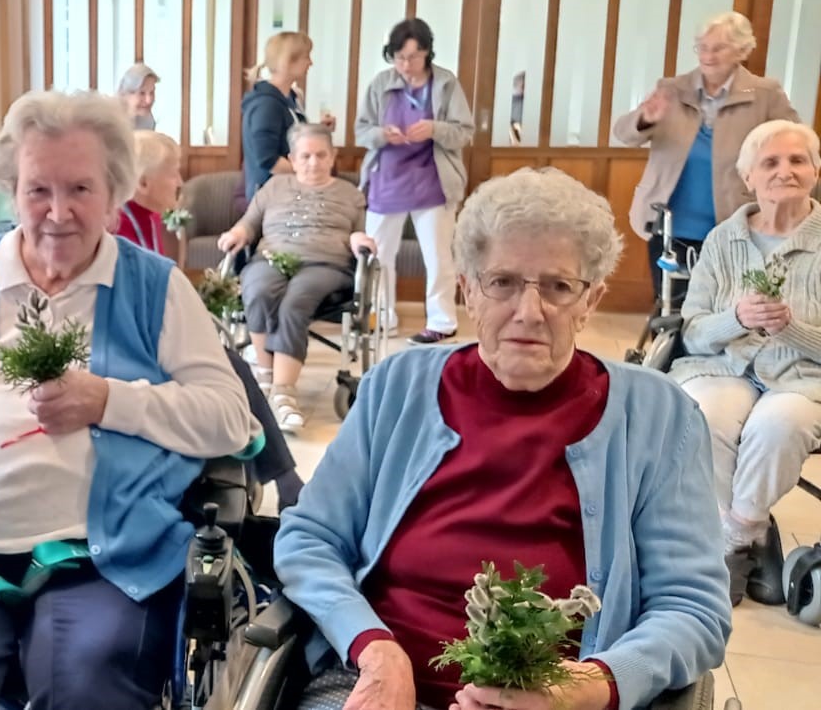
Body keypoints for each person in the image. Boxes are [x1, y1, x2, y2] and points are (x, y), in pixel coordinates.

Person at [275, 168, 730, 710]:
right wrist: (374, 649)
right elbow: (310, 538)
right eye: (503, 282)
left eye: (559, 286)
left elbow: (692, 608)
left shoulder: (659, 415)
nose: (529, 312)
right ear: (468, 290)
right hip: (373, 684)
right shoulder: (396, 388)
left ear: (591, 300)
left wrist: (587, 686)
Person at [0, 90, 259, 709]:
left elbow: (231, 418)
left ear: (114, 192)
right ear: (11, 190)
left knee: (88, 669)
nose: (57, 212)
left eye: (79, 189)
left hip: (105, 556)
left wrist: (108, 401)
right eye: (37, 190)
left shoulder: (153, 286)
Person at [671, 120, 821, 606]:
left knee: (776, 425)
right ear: (749, 177)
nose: (785, 171)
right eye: (770, 162)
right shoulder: (722, 239)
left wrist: (790, 330)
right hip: (724, 367)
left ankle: (735, 540)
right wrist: (735, 318)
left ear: (816, 171)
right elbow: (692, 332)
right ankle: (746, 529)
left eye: (797, 160)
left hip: (804, 378)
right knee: (704, 413)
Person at [614, 12, 800, 302]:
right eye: (702, 47)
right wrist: (645, 118)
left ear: (742, 51)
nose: (708, 56)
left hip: (734, 223)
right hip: (670, 222)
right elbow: (624, 134)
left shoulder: (765, 95)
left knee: (724, 305)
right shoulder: (672, 89)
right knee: (669, 306)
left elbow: (795, 143)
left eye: (718, 48)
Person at [218, 123, 374, 434]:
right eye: (305, 156)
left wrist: (359, 239)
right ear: (292, 158)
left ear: (333, 156)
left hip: (325, 264)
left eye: (321, 155)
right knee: (258, 289)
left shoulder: (350, 194)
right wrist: (236, 233)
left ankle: (284, 394)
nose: (313, 162)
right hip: (271, 258)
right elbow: (249, 223)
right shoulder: (273, 187)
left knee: (296, 301)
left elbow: (358, 230)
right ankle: (266, 379)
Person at [355, 18, 474, 345]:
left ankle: (441, 321)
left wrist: (435, 129)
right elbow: (362, 131)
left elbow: (464, 132)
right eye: (399, 57)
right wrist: (382, 134)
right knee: (379, 255)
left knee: (437, 256)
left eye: (413, 57)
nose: (406, 65)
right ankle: (382, 317)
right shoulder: (381, 84)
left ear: (427, 53)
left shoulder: (446, 84)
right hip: (388, 180)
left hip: (432, 181)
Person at [241, 31, 337, 204]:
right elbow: (268, 161)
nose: (311, 63)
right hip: (273, 199)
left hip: (290, 194)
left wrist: (319, 131)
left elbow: (294, 141)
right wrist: (311, 172)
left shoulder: (291, 98)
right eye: (306, 57)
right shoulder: (266, 105)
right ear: (288, 61)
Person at [119, 130, 183, 255]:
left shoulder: (152, 216)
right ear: (143, 183)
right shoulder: (116, 228)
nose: (180, 183)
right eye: (173, 174)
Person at [118, 62, 159, 130]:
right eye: (142, 93)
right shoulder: (109, 123)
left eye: (152, 92)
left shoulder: (148, 120)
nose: (149, 100)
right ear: (125, 94)